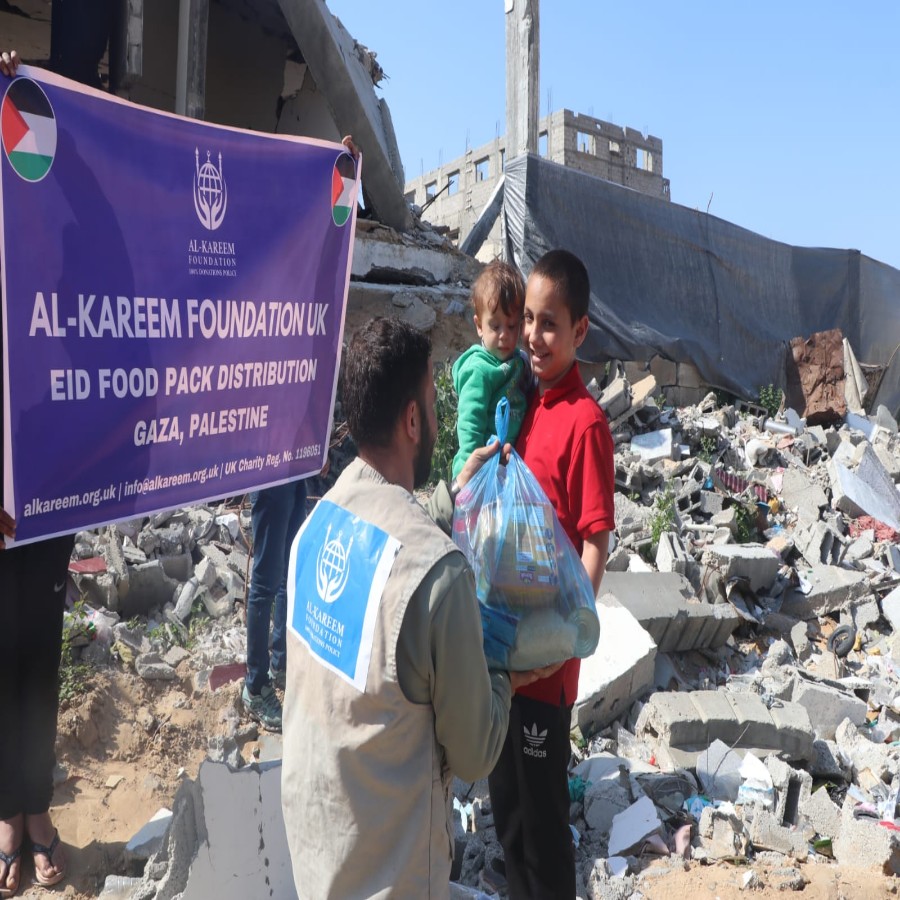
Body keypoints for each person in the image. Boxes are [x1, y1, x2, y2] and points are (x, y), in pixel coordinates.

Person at [281, 317, 558, 899]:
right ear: (413, 420)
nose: (439, 420)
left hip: (320, 857)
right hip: (394, 875)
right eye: (434, 404)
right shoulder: (439, 573)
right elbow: (476, 750)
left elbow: (388, 532)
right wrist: (506, 671)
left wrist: (453, 495)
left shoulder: (315, 528)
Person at [488, 249, 615, 899]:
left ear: (580, 331)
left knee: (542, 827)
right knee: (506, 815)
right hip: (501, 650)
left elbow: (596, 542)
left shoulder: (585, 423)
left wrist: (565, 641)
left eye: (548, 324)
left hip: (544, 665)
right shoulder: (519, 404)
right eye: (527, 320)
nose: (533, 337)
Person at [241, 134, 359, 732]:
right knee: (266, 576)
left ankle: (284, 672)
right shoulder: (261, 312)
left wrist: (337, 170)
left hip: (299, 457)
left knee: (289, 568)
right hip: (269, 460)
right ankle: (254, 683)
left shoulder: (308, 312)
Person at [0, 46, 71, 899]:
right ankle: (8, 816)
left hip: (50, 466)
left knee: (38, 650)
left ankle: (37, 810)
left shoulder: (52, 222)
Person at [451, 260, 530, 479]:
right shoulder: (479, 370)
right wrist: (471, 469)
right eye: (495, 326)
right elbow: (470, 422)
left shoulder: (519, 362)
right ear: (479, 326)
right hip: (482, 466)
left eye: (512, 326)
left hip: (506, 464)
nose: (504, 335)